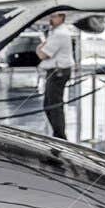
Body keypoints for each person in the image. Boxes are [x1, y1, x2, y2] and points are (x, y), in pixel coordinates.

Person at [37, 11, 74, 139]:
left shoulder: (60, 34)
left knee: (54, 106)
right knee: (49, 105)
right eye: (51, 17)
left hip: (57, 72)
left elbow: (43, 54)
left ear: (62, 17)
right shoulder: (57, 32)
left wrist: (39, 48)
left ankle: (60, 137)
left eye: (53, 17)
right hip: (56, 71)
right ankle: (58, 134)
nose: (50, 19)